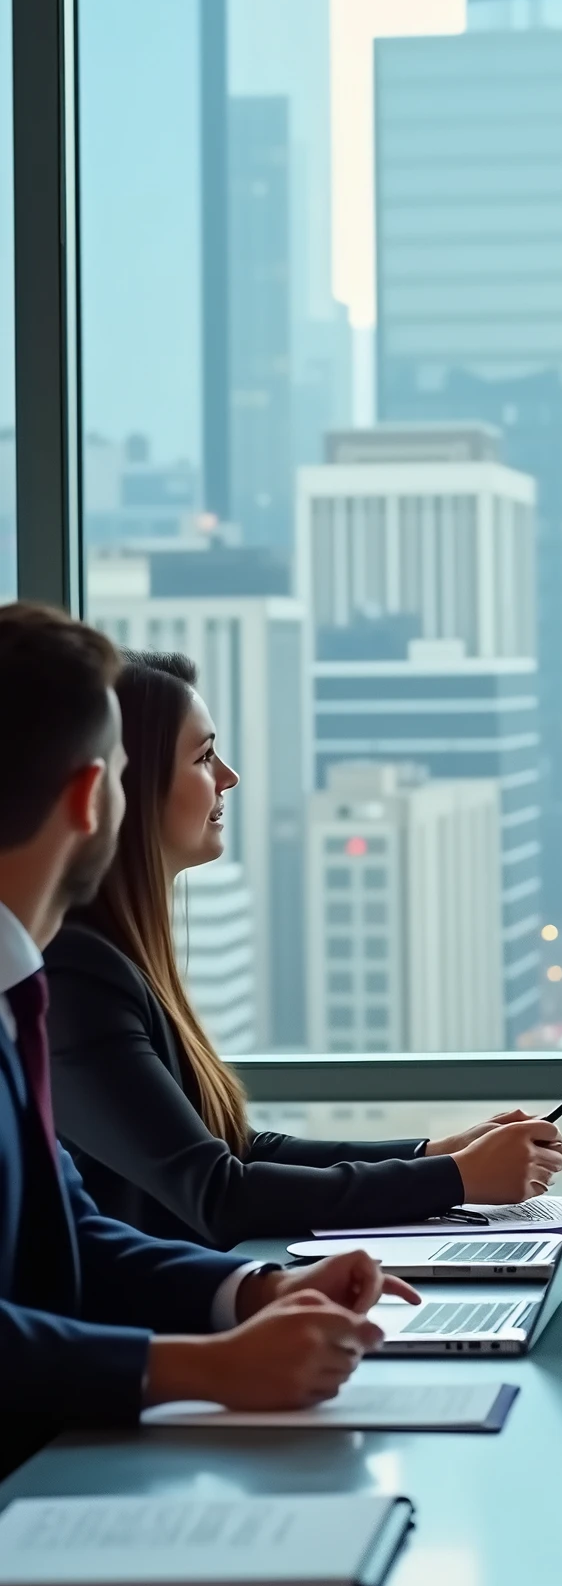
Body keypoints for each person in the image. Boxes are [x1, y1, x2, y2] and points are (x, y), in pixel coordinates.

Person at [0, 602, 421, 1484]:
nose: (225, 777)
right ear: (91, 798)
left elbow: (71, 1230)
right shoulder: (58, 980)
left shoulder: (19, 991)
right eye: (122, 769)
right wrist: (202, 1368)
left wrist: (255, 1293)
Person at [44, 651, 562, 1248]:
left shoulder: (119, 956)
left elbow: (235, 1146)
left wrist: (433, 1154)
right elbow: (219, 1193)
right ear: (130, 788)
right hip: (146, 1326)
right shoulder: (77, 976)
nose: (229, 777)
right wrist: (454, 1179)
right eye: (204, 756)